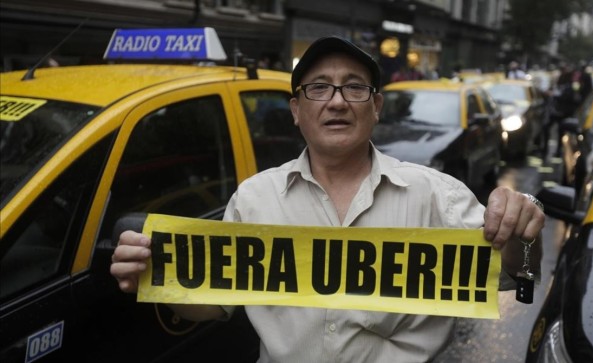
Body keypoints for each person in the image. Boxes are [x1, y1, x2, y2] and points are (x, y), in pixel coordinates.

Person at [111, 36, 545, 362]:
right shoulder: (255, 198)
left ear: (375, 106)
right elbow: (212, 306)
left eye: (353, 88)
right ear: (297, 110)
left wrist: (521, 231)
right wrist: (158, 277)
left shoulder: (438, 194)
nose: (336, 102)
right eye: (319, 88)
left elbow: (519, 276)